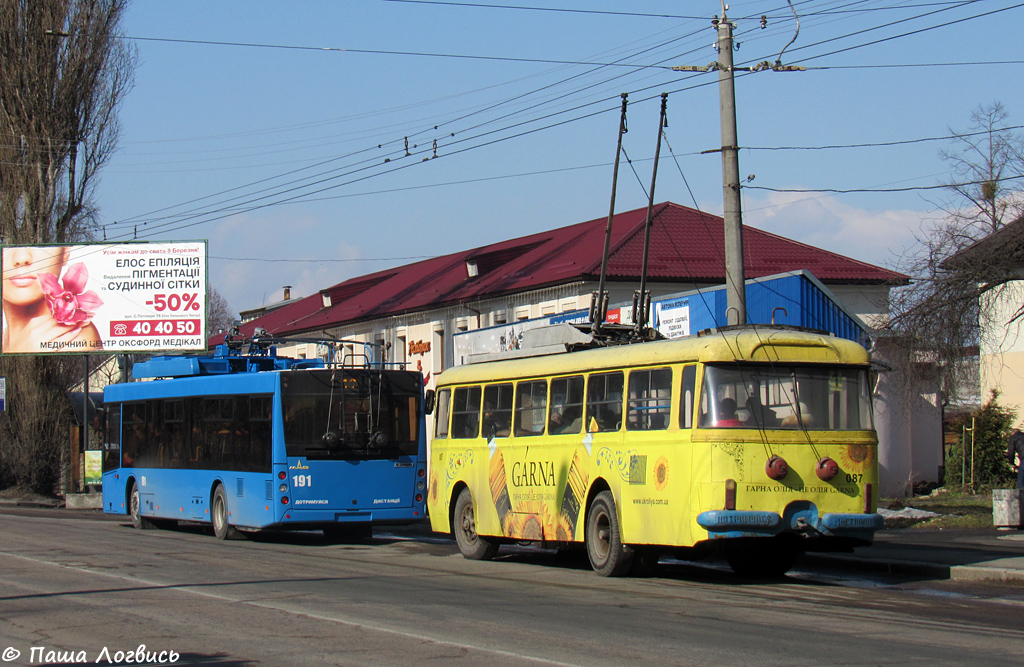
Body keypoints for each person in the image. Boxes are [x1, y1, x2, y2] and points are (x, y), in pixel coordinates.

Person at [2, 246, 103, 353]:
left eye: (40, 244)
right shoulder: (5, 339)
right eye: (4, 243)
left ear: (65, 252)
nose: (22, 259)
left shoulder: (74, 340)